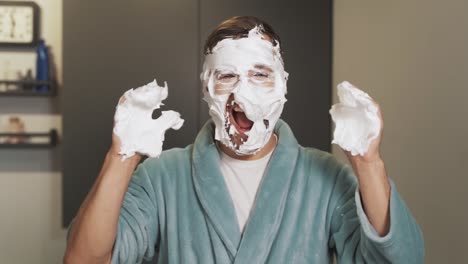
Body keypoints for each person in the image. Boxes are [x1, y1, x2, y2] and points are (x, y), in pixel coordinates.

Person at [64, 16, 424, 264]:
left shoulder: (324, 177)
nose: (241, 92)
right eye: (225, 76)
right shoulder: (162, 178)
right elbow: (85, 260)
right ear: (206, 89)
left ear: (282, 86)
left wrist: (367, 163)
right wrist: (121, 155)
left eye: (260, 74)